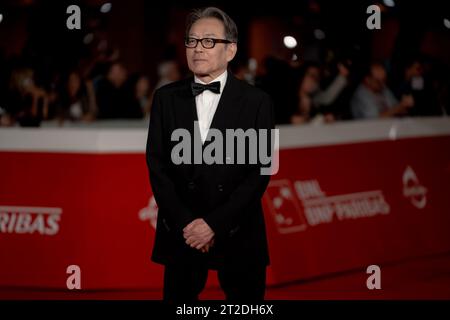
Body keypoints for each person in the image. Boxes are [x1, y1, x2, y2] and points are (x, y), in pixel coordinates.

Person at [146, 7, 275, 301]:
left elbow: (260, 172)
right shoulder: (165, 99)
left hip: (239, 229)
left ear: (230, 50)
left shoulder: (258, 101)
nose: (197, 49)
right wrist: (188, 225)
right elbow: (157, 167)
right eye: (191, 41)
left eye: (208, 41)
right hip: (183, 231)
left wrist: (214, 224)